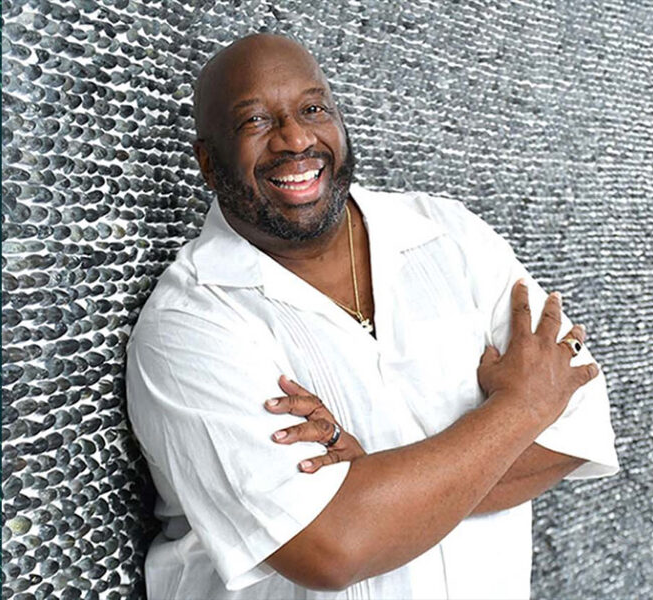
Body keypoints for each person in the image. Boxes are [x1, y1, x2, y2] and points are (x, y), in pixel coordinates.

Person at [125, 33, 618, 600]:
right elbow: (331, 546)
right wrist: (522, 408)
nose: (295, 138)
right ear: (208, 164)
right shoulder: (190, 325)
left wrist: (375, 488)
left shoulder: (451, 236)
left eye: (313, 109)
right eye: (255, 122)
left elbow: (576, 424)